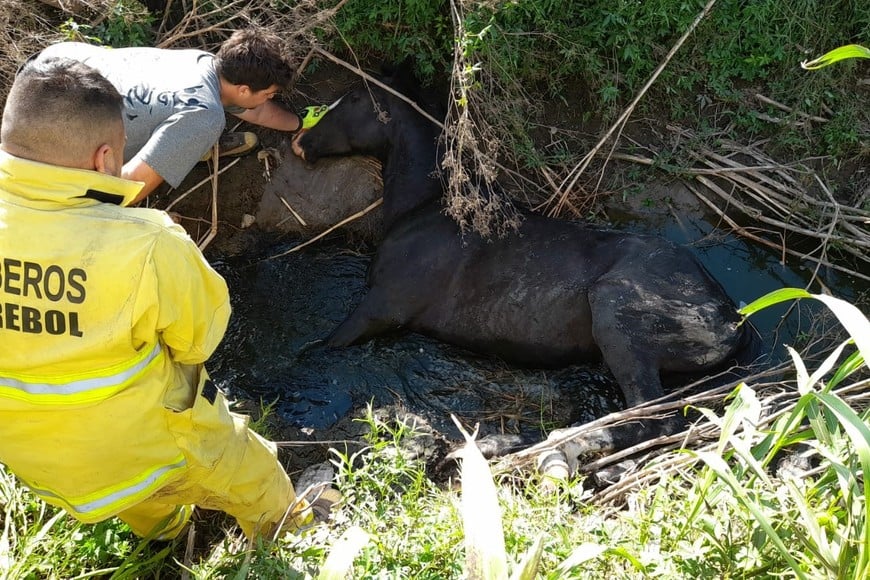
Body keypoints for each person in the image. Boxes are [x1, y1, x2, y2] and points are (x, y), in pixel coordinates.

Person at [0, 56, 314, 540]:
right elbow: (198, 341)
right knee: (257, 480)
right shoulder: (148, 245)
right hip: (148, 444)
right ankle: (290, 539)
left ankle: (171, 537)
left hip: (45, 468)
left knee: (143, 504)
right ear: (105, 158)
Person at [35, 28, 305, 204]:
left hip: (46, 71)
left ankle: (186, 146)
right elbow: (128, 187)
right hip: (51, 142)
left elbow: (254, 109)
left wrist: (300, 123)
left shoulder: (201, 62)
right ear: (244, 90)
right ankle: (186, 148)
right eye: (269, 94)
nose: (269, 98)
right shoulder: (205, 114)